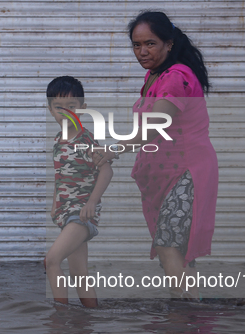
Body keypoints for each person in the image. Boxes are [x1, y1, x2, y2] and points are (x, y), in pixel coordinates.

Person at [94, 11, 218, 300]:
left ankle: (185, 318)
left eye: (150, 43)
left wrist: (112, 149)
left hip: (188, 171)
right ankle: (187, 320)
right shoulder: (154, 76)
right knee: (174, 249)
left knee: (168, 243)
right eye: (136, 45)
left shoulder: (176, 77)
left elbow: (154, 127)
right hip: (164, 175)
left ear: (169, 44)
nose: (142, 51)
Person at [45, 76, 113, 308]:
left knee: (51, 260)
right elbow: (60, 175)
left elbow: (106, 171)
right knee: (78, 271)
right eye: (58, 107)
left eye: (71, 107)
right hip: (66, 213)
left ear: (82, 110)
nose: (65, 113)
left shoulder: (85, 139)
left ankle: (59, 316)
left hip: (81, 213)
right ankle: (91, 316)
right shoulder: (58, 141)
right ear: (50, 109)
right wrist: (56, 204)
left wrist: (92, 202)